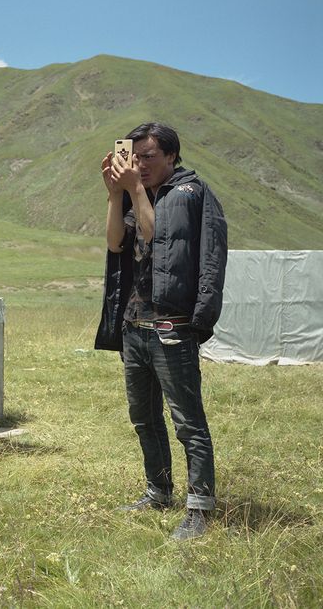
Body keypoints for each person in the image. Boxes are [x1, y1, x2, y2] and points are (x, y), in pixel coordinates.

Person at [94, 123, 228, 540]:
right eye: (134, 156)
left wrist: (134, 189)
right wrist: (117, 194)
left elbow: (160, 242)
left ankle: (200, 508)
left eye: (149, 155)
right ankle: (158, 491)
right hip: (135, 328)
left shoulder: (189, 193)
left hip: (172, 327)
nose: (140, 164)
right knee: (144, 418)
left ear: (172, 156)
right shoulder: (140, 196)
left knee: (187, 421)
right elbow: (117, 243)